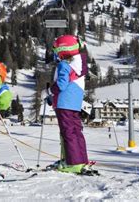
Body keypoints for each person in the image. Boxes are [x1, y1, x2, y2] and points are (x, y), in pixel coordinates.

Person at [50, 34, 91, 175]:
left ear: (63, 50)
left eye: (56, 50)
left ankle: (73, 162)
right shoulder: (78, 65)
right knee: (75, 131)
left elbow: (61, 84)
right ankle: (81, 160)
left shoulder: (64, 65)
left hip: (64, 103)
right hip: (74, 104)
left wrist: (50, 90)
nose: (55, 54)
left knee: (68, 133)